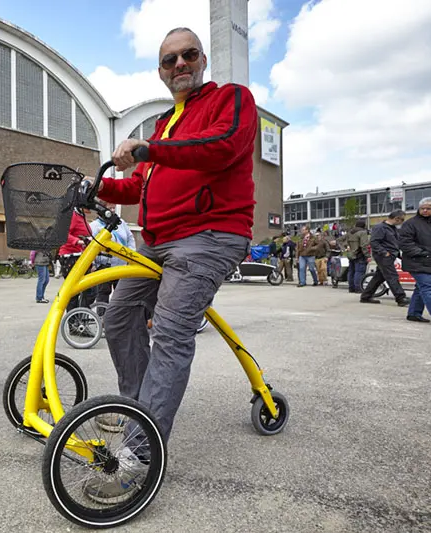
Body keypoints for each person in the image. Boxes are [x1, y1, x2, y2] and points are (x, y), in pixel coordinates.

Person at [84, 27, 256, 502]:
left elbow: (225, 146)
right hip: (159, 241)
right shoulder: (165, 123)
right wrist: (95, 187)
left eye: (188, 55)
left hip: (209, 236)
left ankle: (141, 454)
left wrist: (147, 148)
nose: (179, 64)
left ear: (201, 60)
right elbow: (139, 186)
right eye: (168, 60)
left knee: (173, 332)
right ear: (160, 71)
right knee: (118, 319)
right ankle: (139, 406)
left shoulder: (231, 99)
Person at [399, 198, 431, 325]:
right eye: (422, 208)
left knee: (422, 288)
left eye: (428, 208)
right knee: (428, 288)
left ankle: (414, 313)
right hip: (417, 261)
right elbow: (405, 243)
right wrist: (422, 254)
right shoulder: (411, 223)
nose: (424, 210)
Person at [90, 213, 136, 313]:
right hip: (103, 265)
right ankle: (102, 317)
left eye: (112, 208)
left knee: (121, 294)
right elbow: (90, 246)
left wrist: (132, 257)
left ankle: (118, 318)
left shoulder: (121, 223)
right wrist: (92, 263)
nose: (111, 211)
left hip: (121, 265)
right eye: (109, 208)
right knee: (103, 293)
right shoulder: (94, 226)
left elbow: (130, 239)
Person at [361, 210, 408, 306]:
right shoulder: (380, 228)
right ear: (396, 218)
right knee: (392, 276)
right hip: (383, 256)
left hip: (390, 255)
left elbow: (394, 243)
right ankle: (400, 297)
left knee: (379, 276)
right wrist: (384, 253)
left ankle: (366, 296)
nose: (402, 222)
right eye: (402, 220)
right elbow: (374, 242)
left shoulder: (392, 228)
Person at [346, 220, 370, 293]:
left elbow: (346, 243)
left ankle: (351, 287)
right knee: (359, 272)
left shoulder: (349, 232)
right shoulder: (363, 232)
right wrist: (367, 255)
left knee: (351, 271)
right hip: (359, 254)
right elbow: (364, 245)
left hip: (351, 254)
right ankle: (358, 288)